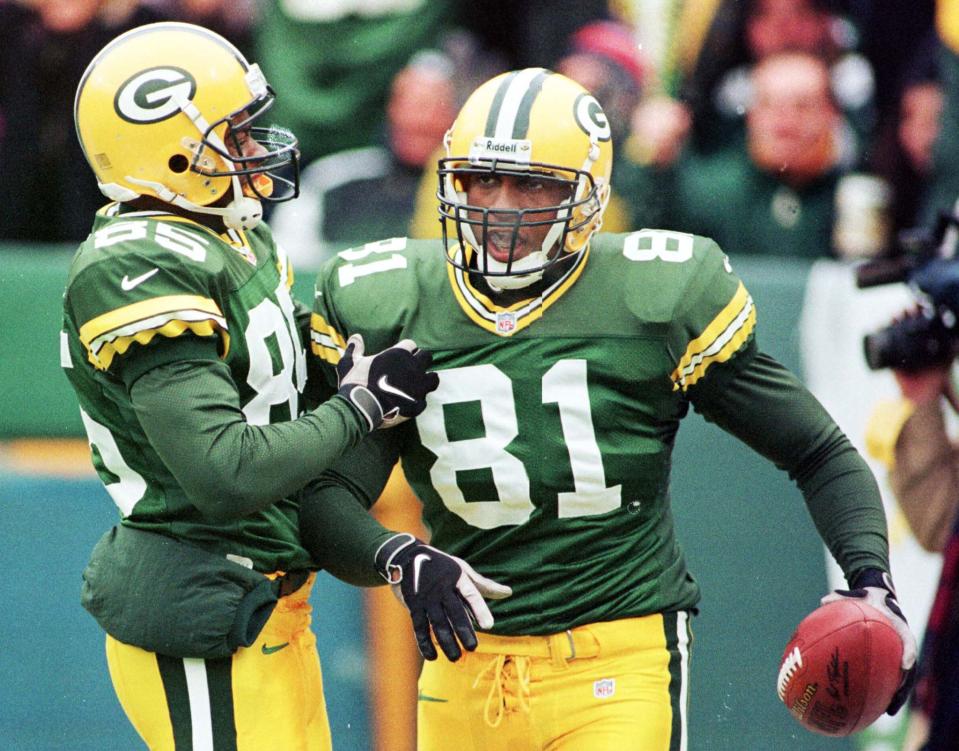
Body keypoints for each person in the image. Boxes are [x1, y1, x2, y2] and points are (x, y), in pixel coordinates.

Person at [298, 68, 918, 749]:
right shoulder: (390, 299)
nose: (503, 206)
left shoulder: (651, 296)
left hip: (616, 656)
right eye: (483, 179)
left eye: (533, 184)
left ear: (586, 195)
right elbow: (326, 494)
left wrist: (870, 580)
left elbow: (816, 450)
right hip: (465, 664)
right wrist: (398, 557)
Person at [62, 21, 507, 749]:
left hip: (265, 603)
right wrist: (357, 405)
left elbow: (294, 411)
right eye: (230, 137)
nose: (251, 150)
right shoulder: (136, 262)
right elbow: (226, 470)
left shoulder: (229, 234)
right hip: (199, 606)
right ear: (166, 149)